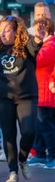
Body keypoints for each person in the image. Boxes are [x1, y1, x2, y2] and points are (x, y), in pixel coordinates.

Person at [0, 16, 42, 182]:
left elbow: (36, 46)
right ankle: (13, 172)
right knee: (9, 135)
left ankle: (23, 159)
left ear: (16, 32)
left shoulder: (26, 46)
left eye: (7, 30)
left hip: (26, 96)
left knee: (29, 131)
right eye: (1, 31)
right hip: (3, 98)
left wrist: (39, 37)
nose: (3, 34)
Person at [28, 18, 55, 169]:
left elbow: (36, 60)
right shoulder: (47, 44)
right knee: (39, 126)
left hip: (45, 91)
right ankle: (40, 154)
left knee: (46, 126)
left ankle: (52, 156)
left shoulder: (51, 45)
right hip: (39, 90)